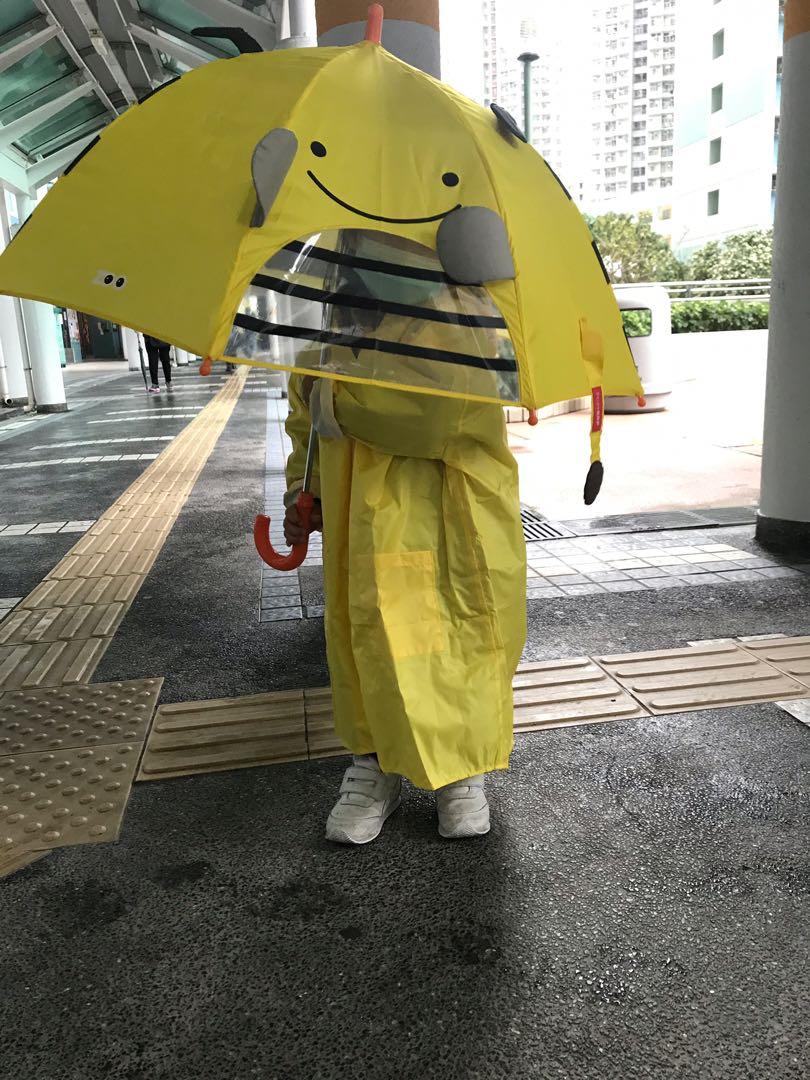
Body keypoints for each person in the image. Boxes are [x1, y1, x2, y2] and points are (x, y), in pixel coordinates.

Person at [281, 233, 526, 846]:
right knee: (365, 642)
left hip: (445, 522)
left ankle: (459, 770)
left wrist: (337, 397)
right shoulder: (327, 344)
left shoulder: (462, 326)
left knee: (449, 644)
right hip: (355, 527)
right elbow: (302, 427)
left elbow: (432, 418)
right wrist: (299, 491)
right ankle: (373, 763)